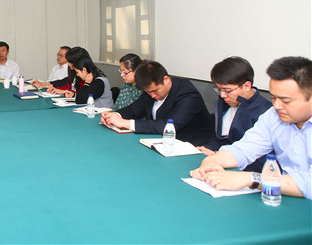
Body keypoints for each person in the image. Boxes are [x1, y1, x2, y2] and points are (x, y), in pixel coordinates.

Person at [190, 56, 312, 199]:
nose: (277, 105)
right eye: (273, 97)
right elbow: (244, 149)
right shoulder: (273, 116)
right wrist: (212, 162)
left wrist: (251, 178)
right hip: (286, 196)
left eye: (285, 101)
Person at [101, 60, 213, 145]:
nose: (152, 96)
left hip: (191, 147)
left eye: (154, 91)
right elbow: (134, 109)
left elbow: (168, 126)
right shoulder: (151, 90)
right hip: (160, 143)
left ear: (166, 80)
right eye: (148, 92)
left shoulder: (188, 95)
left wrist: (126, 123)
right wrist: (114, 115)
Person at [196, 56, 272, 171]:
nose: (222, 95)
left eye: (227, 91)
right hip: (220, 160)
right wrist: (206, 150)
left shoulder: (266, 113)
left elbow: (261, 159)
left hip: (246, 170)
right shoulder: (226, 103)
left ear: (247, 86)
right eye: (219, 89)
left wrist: (217, 155)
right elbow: (219, 138)